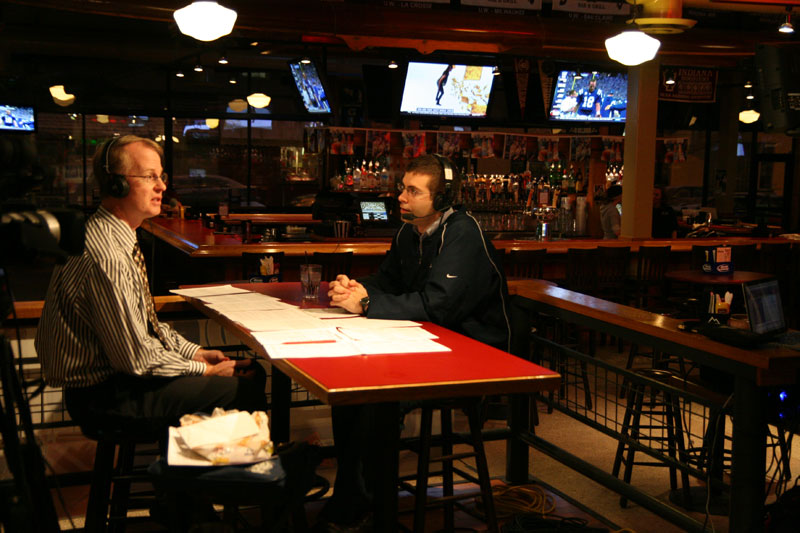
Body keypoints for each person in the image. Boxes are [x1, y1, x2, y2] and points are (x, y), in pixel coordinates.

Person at [319, 154, 511, 531]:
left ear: (441, 199)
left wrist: (368, 304)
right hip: (427, 342)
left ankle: (375, 509)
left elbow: (438, 305)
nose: (400, 198)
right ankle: (354, 497)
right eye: (402, 188)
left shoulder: (463, 233)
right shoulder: (409, 232)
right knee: (350, 393)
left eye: (412, 191)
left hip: (473, 354)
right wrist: (355, 289)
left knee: (376, 400)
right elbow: (388, 282)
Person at [35, 135, 268, 437]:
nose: (162, 186)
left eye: (161, 177)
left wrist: (195, 353)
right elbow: (136, 357)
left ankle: (206, 475)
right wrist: (206, 370)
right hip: (105, 397)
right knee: (242, 391)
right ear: (115, 183)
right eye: (149, 177)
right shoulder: (107, 254)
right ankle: (202, 480)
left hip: (120, 382)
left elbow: (147, 328)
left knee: (251, 374)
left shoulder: (115, 235)